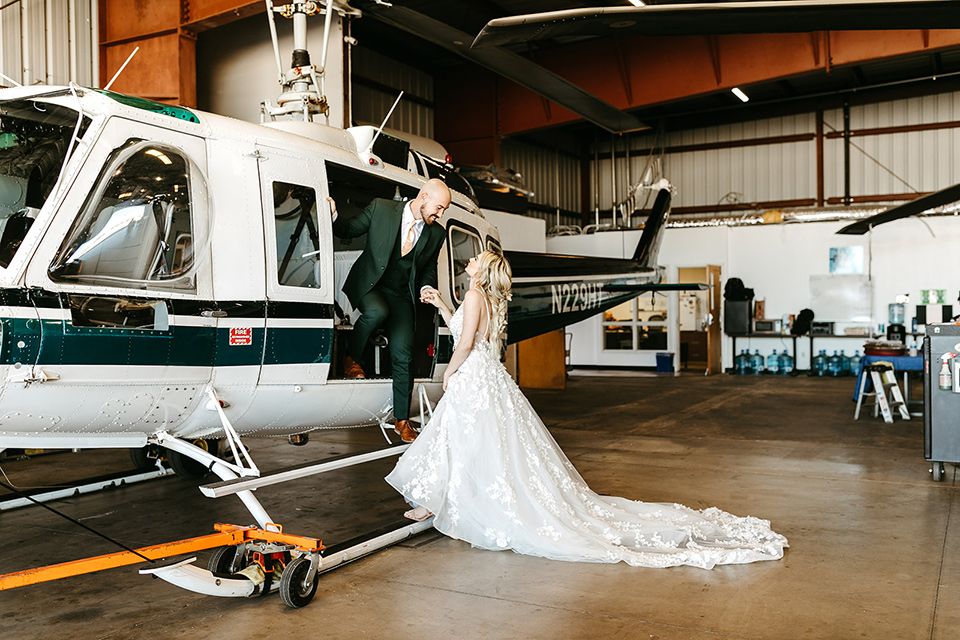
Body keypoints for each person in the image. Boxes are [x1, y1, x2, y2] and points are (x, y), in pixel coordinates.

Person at [386, 250, 788, 569]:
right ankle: (437, 502)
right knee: (468, 441)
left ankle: (435, 503)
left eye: (475, 259)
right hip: (487, 377)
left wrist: (448, 373)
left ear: (481, 270)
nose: (469, 260)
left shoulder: (474, 295)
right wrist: (441, 303)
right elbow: (465, 328)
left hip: (473, 376)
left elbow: (465, 343)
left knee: (460, 439)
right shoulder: (482, 298)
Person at [329, 178, 450, 443]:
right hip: (370, 284)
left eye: (443, 211)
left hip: (402, 295)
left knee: (404, 354)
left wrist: (427, 287)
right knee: (376, 312)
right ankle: (351, 358)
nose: (440, 215)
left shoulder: (436, 233)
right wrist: (334, 215)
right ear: (423, 196)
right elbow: (348, 230)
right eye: (439, 207)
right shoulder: (380, 209)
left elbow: (428, 267)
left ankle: (402, 419)